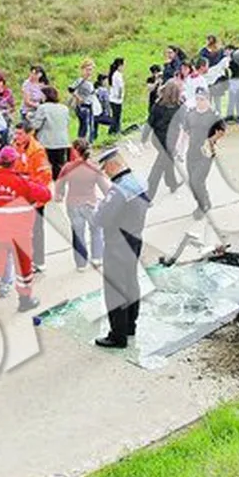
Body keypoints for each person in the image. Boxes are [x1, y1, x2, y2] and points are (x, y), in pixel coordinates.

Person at [0, 147, 51, 325]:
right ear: (15, 162)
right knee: (24, 270)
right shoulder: (23, 183)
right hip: (20, 235)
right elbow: (46, 194)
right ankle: (25, 301)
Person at [93, 148, 149, 348]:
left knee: (115, 289)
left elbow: (100, 219)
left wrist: (98, 206)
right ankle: (130, 325)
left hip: (117, 243)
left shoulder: (117, 190)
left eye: (105, 169)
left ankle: (117, 335)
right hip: (135, 238)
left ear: (113, 165)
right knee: (131, 282)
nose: (106, 173)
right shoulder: (140, 181)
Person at [56, 139, 109, 272]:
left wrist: (60, 194)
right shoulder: (94, 167)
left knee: (78, 234)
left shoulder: (67, 167)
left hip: (73, 204)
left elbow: (59, 185)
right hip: (91, 203)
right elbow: (105, 188)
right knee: (96, 230)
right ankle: (97, 257)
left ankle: (81, 264)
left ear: (74, 151)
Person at [180, 88, 226, 220]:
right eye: (198, 99)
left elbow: (222, 131)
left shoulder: (214, 115)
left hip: (206, 153)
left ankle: (203, 205)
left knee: (197, 180)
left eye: (202, 99)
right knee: (193, 182)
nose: (200, 102)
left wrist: (211, 140)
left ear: (208, 100)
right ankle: (205, 200)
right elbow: (186, 131)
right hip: (192, 152)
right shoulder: (191, 113)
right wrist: (180, 149)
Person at [13, 121, 53, 273]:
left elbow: (44, 176)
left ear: (29, 134)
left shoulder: (37, 151)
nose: (16, 137)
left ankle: (39, 261)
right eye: (15, 133)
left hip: (35, 197)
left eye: (20, 134)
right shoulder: (16, 146)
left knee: (36, 229)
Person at [144, 80, 183, 200]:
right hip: (169, 142)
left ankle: (172, 183)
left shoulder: (158, 104)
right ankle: (149, 195)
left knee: (167, 160)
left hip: (157, 139)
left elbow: (150, 122)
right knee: (158, 168)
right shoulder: (179, 106)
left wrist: (144, 138)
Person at [30, 86, 72, 180]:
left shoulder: (43, 108)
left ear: (45, 96)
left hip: (47, 142)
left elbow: (36, 125)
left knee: (46, 166)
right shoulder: (64, 108)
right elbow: (67, 123)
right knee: (59, 165)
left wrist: (30, 118)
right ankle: (59, 186)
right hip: (63, 141)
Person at [69, 59, 97, 142]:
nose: (89, 72)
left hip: (89, 104)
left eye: (91, 70)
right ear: (83, 69)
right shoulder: (80, 80)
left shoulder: (89, 80)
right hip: (82, 106)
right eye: (88, 70)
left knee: (89, 125)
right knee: (84, 126)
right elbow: (71, 89)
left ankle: (87, 143)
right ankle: (81, 143)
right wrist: (78, 97)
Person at [225, 45, 239, 123]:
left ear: (230, 50)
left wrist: (229, 62)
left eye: (226, 50)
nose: (225, 52)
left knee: (234, 99)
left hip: (236, 80)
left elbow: (232, 68)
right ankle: (238, 116)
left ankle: (232, 116)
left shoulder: (233, 58)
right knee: (236, 99)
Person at [107, 57, 126, 135]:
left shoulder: (115, 74)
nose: (124, 67)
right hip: (116, 99)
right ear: (119, 66)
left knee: (116, 115)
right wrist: (120, 96)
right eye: (123, 65)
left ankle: (115, 130)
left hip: (113, 98)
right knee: (116, 116)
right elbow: (120, 87)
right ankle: (114, 131)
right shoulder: (117, 75)